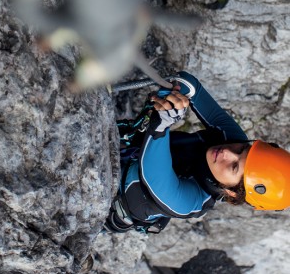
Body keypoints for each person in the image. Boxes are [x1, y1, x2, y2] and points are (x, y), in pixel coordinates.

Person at [104, 71, 290, 234]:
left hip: (105, 203)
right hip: (120, 148)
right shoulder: (233, 140)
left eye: (234, 167)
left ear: (232, 192)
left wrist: (163, 123)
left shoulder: (193, 202)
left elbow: (154, 177)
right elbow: (190, 85)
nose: (227, 152)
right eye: (242, 150)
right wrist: (174, 96)